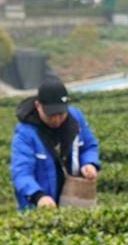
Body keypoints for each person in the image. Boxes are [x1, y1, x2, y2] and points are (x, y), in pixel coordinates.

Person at [11, 78, 100, 211]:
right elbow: (21, 173)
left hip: (74, 200)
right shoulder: (25, 132)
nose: (56, 120)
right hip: (39, 208)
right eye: (50, 115)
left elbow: (89, 146)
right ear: (38, 105)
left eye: (61, 114)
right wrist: (38, 196)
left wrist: (89, 163)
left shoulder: (76, 117)